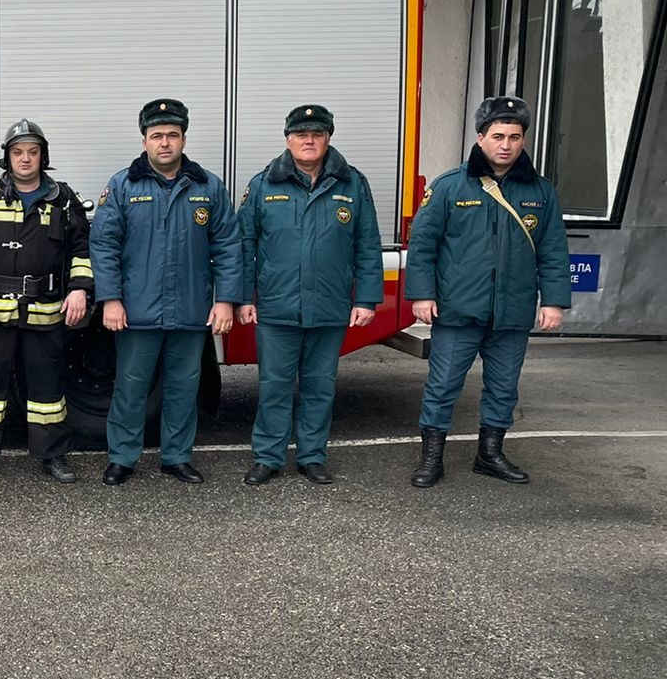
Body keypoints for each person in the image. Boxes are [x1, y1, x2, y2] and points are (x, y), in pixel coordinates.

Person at [404, 95, 571, 487]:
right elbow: (424, 245)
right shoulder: (449, 186)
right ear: (481, 138)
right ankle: (431, 457)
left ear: (523, 141)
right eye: (498, 136)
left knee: (503, 387)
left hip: (511, 311)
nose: (506, 144)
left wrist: (555, 301)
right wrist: (422, 295)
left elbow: (553, 249)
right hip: (459, 309)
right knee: (443, 385)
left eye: (515, 137)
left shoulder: (541, 192)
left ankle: (490, 455)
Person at [89, 98, 243, 485]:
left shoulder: (207, 186)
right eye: (156, 135)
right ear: (144, 141)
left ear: (184, 139)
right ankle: (123, 457)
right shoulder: (123, 185)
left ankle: (176, 457)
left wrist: (225, 300)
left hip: (191, 311)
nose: (164, 143)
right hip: (137, 311)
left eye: (172, 135)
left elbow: (228, 245)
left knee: (182, 388)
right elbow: (104, 244)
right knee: (130, 387)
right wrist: (110, 299)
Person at [237, 105, 383, 486]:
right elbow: (244, 245)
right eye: (301, 134)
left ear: (328, 138)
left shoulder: (352, 184)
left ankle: (312, 457)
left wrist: (366, 300)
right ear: (288, 140)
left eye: (317, 134)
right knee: (274, 387)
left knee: (320, 387)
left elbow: (367, 245)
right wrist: (243, 297)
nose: (309, 140)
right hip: (276, 307)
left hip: (329, 306)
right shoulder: (264, 184)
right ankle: (268, 457)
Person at [0, 119, 93, 485]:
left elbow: (81, 249)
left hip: (46, 311)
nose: (24, 159)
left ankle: (53, 454)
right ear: (7, 159)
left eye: (32, 152)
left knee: (47, 389)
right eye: (17, 152)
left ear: (43, 157)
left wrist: (79, 289)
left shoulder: (63, 199)